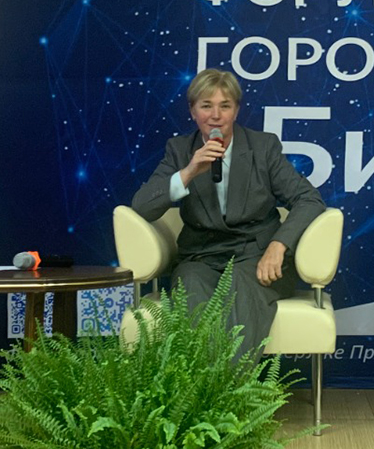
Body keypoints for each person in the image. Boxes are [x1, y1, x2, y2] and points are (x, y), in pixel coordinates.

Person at [131, 69, 325, 357]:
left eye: (225, 106)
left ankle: (226, 385)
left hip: (256, 254)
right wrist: (189, 172)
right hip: (200, 257)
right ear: (192, 111)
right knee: (191, 294)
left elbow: (309, 199)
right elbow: (142, 207)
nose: (215, 115)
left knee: (241, 289)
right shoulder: (180, 150)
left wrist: (278, 245)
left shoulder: (263, 147)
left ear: (236, 110)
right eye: (206, 106)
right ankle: (205, 383)